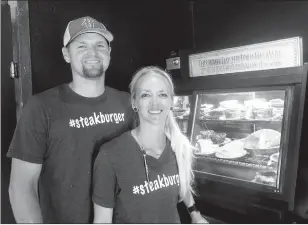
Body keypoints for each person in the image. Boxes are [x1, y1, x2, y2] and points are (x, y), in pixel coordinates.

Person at [7, 16, 134, 223]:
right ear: (66, 54)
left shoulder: (128, 103)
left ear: (109, 52)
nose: (93, 53)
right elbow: (21, 188)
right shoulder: (41, 108)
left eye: (100, 45)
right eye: (82, 46)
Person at [92, 66, 208, 223]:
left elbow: (183, 184)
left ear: (171, 101)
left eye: (162, 94)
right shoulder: (110, 155)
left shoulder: (178, 146)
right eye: (146, 95)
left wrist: (195, 213)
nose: (155, 103)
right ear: (134, 102)